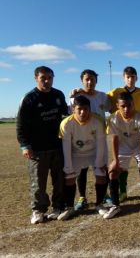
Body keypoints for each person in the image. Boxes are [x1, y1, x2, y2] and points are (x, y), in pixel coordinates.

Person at [16, 66, 68, 224]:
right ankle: (38, 210)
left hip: (58, 146)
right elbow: (21, 124)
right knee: (38, 181)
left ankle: (59, 206)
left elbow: (66, 114)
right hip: (37, 148)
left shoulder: (58, 94)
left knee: (59, 180)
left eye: (49, 78)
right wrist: (25, 145)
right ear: (36, 78)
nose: (46, 81)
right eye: (43, 78)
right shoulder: (29, 98)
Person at [58, 96, 107, 220]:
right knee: (69, 176)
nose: (83, 112)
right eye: (79, 109)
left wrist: (99, 163)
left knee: (101, 174)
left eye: (86, 109)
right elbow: (66, 146)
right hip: (76, 154)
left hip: (94, 152)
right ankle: (69, 207)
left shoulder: (98, 121)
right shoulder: (66, 123)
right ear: (73, 109)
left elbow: (101, 144)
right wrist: (68, 166)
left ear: (90, 109)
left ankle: (100, 204)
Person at [69, 69, 112, 211]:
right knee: (82, 169)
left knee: (101, 167)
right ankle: (82, 197)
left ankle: (104, 195)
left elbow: (112, 109)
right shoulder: (76, 96)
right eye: (87, 79)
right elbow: (69, 113)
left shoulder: (102, 96)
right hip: (81, 139)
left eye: (92, 79)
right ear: (82, 81)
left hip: (99, 137)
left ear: (96, 81)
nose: (89, 82)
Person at [107, 66, 140, 202]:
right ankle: (122, 192)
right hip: (123, 144)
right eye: (128, 76)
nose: (130, 79)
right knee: (115, 169)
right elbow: (99, 96)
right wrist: (115, 160)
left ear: (136, 78)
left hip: (138, 142)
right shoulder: (115, 94)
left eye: (133, 76)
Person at [106, 92, 140, 219]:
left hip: (138, 147)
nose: (126, 109)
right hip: (123, 148)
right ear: (117, 106)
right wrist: (115, 160)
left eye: (129, 105)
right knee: (113, 171)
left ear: (133, 104)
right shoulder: (113, 118)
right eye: (123, 106)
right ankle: (115, 205)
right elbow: (114, 139)